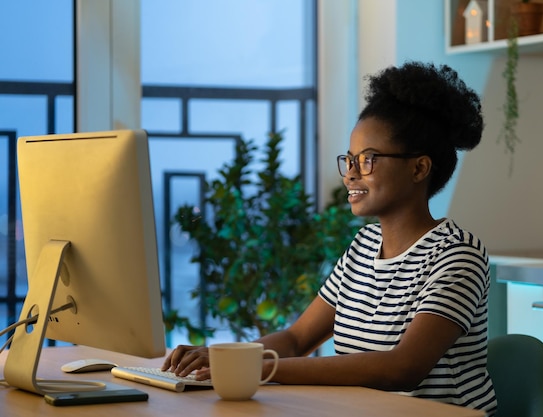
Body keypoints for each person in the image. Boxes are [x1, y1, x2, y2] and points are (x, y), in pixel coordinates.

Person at [162, 61, 497, 416]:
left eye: (367, 160)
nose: (350, 174)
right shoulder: (364, 246)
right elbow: (296, 339)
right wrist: (228, 356)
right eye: (349, 160)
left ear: (419, 168)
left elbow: (403, 368)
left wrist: (259, 369)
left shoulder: (458, 256)